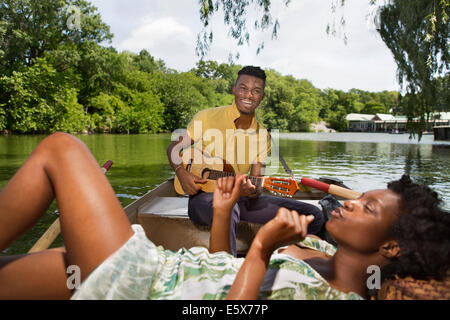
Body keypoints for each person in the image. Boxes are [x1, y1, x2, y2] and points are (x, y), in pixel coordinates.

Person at [0, 133, 448, 300]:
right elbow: (218, 267)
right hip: (170, 269)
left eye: (366, 207)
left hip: (149, 287)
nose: (347, 202)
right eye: (359, 197)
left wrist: (258, 251)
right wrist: (222, 212)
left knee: (63, 149)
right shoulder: (311, 249)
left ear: (391, 247)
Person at [166, 65, 324, 256]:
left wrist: (250, 190)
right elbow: (173, 148)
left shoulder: (263, 136)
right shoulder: (207, 117)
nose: (249, 95)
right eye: (243, 88)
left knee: (313, 215)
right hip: (203, 198)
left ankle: (298, 262)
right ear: (234, 89)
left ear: (262, 96)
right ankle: (226, 271)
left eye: (256, 91)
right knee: (228, 209)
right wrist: (181, 173)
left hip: (241, 198)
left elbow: (256, 183)